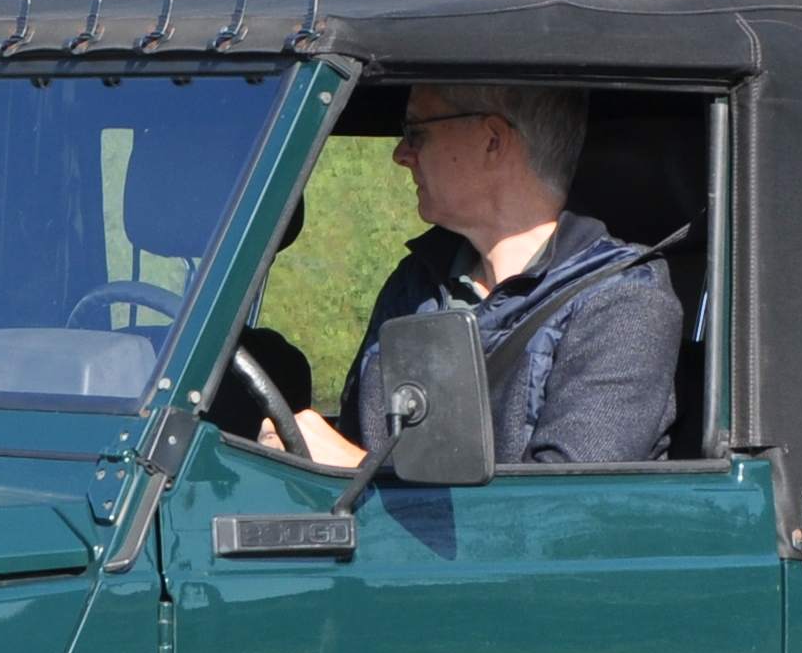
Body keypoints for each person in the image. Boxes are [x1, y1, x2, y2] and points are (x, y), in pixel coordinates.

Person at [281, 82, 678, 471]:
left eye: (416, 133)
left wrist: (355, 472)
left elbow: (563, 516)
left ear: (492, 140)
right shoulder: (417, 282)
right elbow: (358, 436)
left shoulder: (624, 302)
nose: (401, 154)